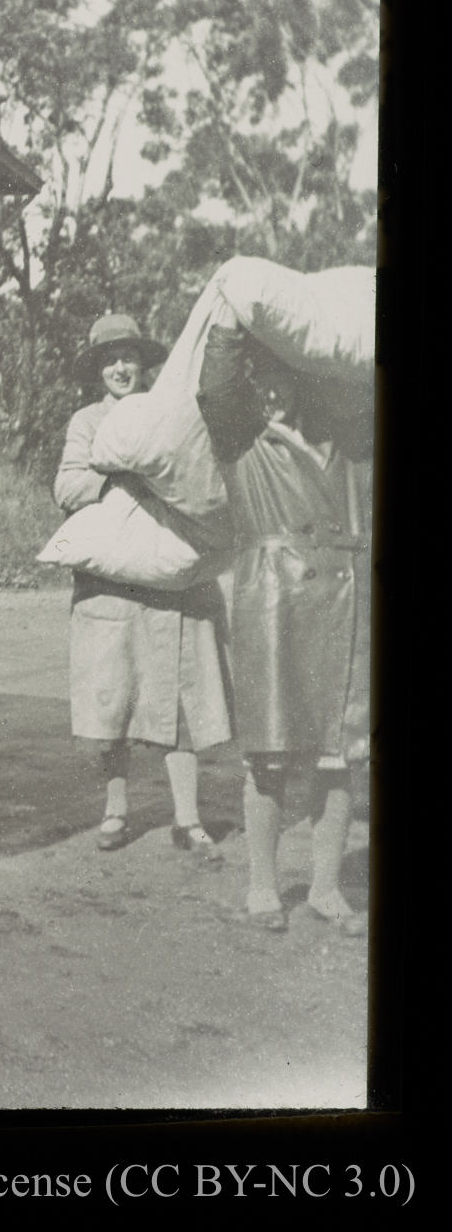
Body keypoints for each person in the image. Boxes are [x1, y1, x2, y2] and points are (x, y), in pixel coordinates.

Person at [197, 326, 372, 935]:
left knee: (340, 756)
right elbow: (215, 390)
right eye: (261, 381)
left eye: (283, 378)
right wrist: (228, 328)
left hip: (348, 600)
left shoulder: (349, 438)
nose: (271, 393)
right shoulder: (241, 440)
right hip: (274, 603)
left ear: (303, 380)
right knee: (270, 757)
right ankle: (263, 889)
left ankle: (325, 889)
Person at [55, 314, 233, 857]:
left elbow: (203, 474)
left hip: (171, 573)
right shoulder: (87, 422)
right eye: (109, 360)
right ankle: (115, 810)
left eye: (128, 357)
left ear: (143, 362)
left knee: (179, 697)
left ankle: (188, 817)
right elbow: (66, 486)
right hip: (112, 582)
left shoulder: (169, 415)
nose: (120, 368)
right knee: (116, 697)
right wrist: (120, 472)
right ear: (97, 371)